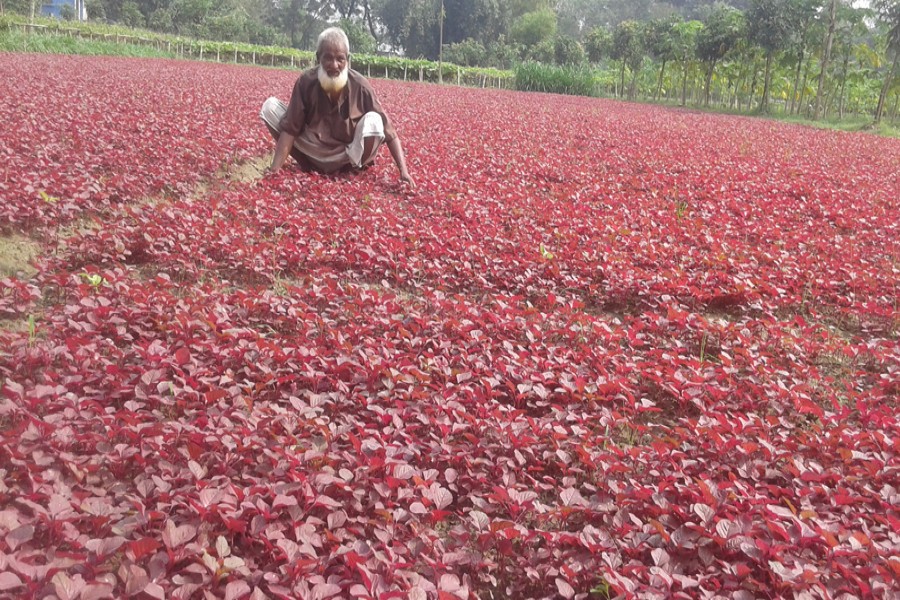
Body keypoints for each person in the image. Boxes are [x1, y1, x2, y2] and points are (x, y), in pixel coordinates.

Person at [260, 27, 415, 188]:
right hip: (314, 150)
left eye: (340, 59)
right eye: (328, 58)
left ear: (347, 60)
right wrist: (274, 170)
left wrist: (403, 171)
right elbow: (290, 128)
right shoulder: (306, 82)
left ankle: (354, 169)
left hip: (346, 155)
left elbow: (390, 133)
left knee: (375, 121)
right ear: (318, 57)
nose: (334, 65)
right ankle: (306, 164)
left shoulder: (360, 86)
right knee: (270, 107)